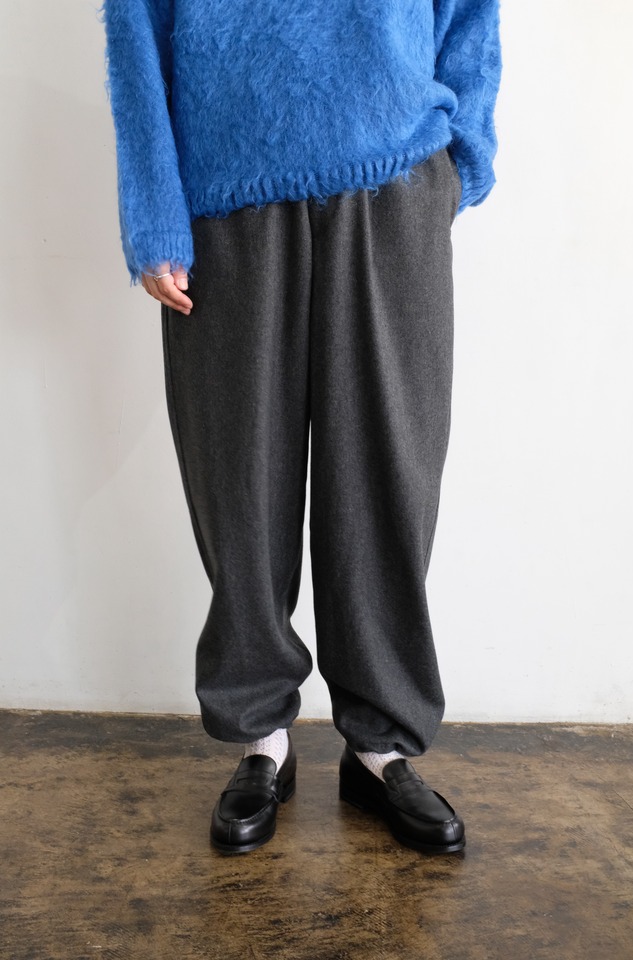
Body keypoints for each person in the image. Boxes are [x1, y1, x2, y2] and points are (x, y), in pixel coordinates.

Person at [100, 0, 502, 857]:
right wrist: (153, 212)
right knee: (239, 484)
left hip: (394, 177)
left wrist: (463, 155)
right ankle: (261, 741)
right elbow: (134, 24)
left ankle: (381, 745)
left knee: (390, 476)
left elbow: (471, 11)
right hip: (226, 195)